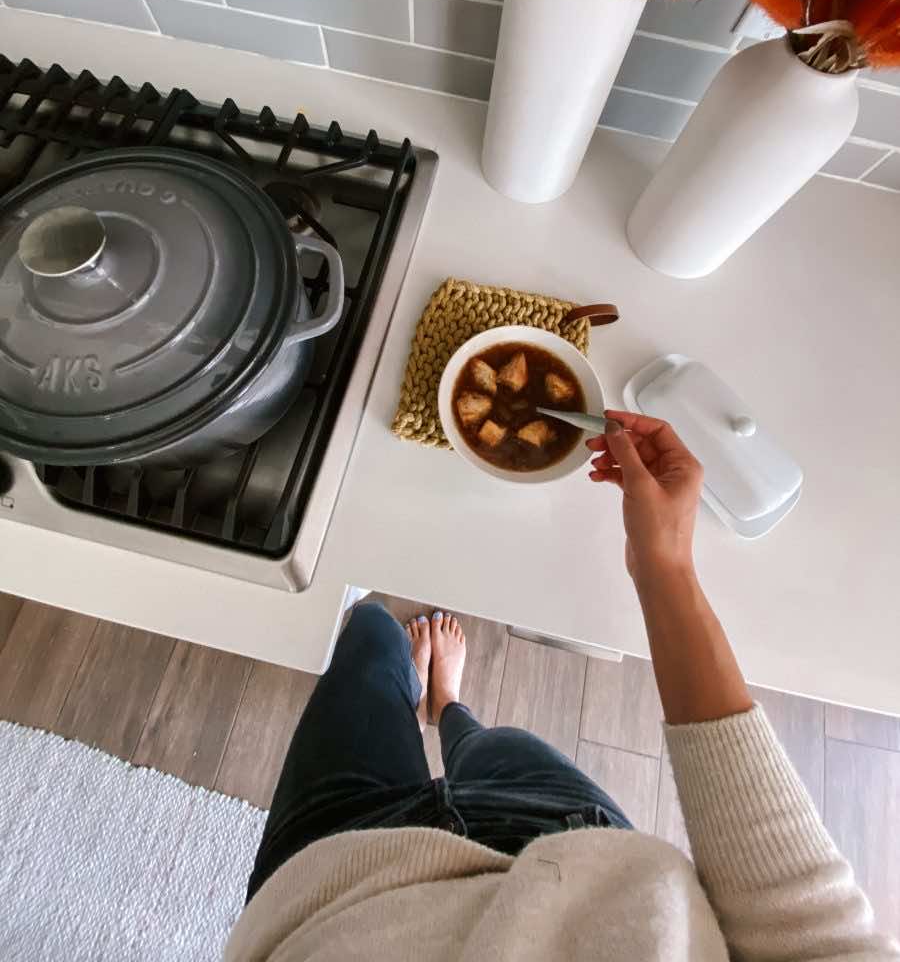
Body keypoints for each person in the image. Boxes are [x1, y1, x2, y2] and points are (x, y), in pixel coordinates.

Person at [227, 412, 898, 961]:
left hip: (328, 883)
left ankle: (431, 697)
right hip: (567, 838)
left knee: (371, 636)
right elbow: (804, 913)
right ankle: (448, 706)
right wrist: (661, 564)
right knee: (489, 743)